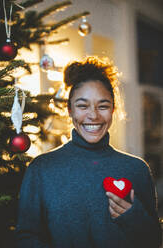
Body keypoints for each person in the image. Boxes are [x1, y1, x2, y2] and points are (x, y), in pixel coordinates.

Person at [16, 57, 162, 248]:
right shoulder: (42, 169)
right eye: (82, 106)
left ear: (113, 110)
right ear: (69, 110)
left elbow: (154, 240)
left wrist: (132, 216)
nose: (93, 115)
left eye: (103, 106)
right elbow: (26, 238)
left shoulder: (136, 169)